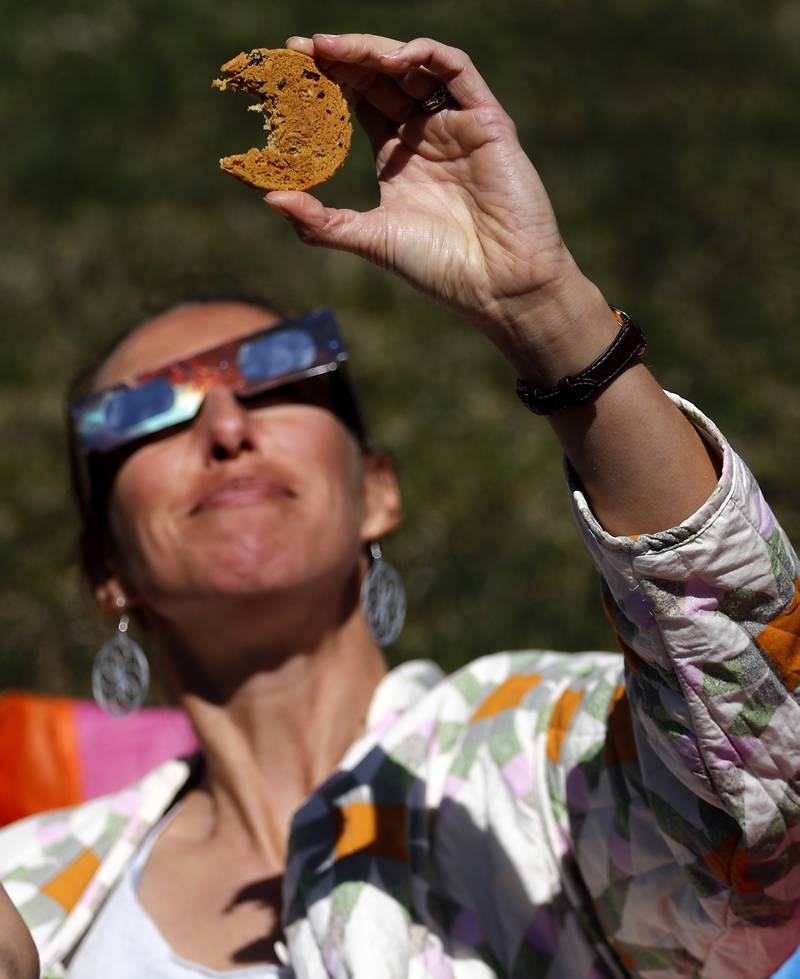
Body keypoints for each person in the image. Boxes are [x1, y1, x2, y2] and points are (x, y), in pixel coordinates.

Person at [1, 30, 799, 979]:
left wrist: (547, 312)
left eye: (278, 378)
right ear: (106, 572)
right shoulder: (31, 890)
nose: (224, 426)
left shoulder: (541, 747)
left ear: (376, 491)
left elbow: (770, 788)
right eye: (145, 413)